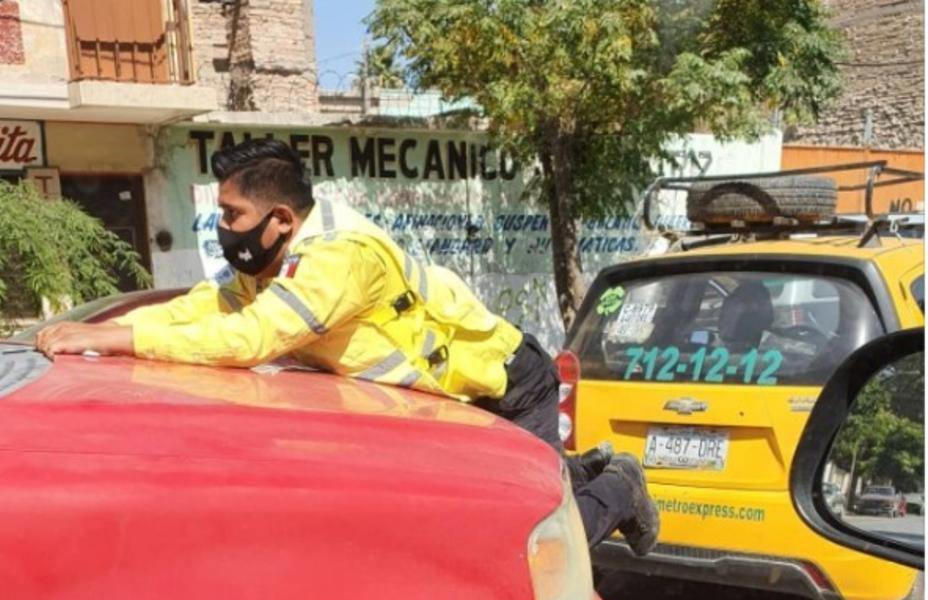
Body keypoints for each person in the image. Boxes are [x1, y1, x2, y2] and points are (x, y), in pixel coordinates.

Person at [36, 138, 658, 555]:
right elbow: (204, 307)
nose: (221, 227)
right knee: (499, 507)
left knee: (540, 537)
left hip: (502, 383)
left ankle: (619, 485)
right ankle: (574, 469)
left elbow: (251, 339)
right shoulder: (271, 262)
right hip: (451, 404)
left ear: (279, 217)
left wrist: (117, 337)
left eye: (230, 213)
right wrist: (101, 339)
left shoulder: (339, 258)